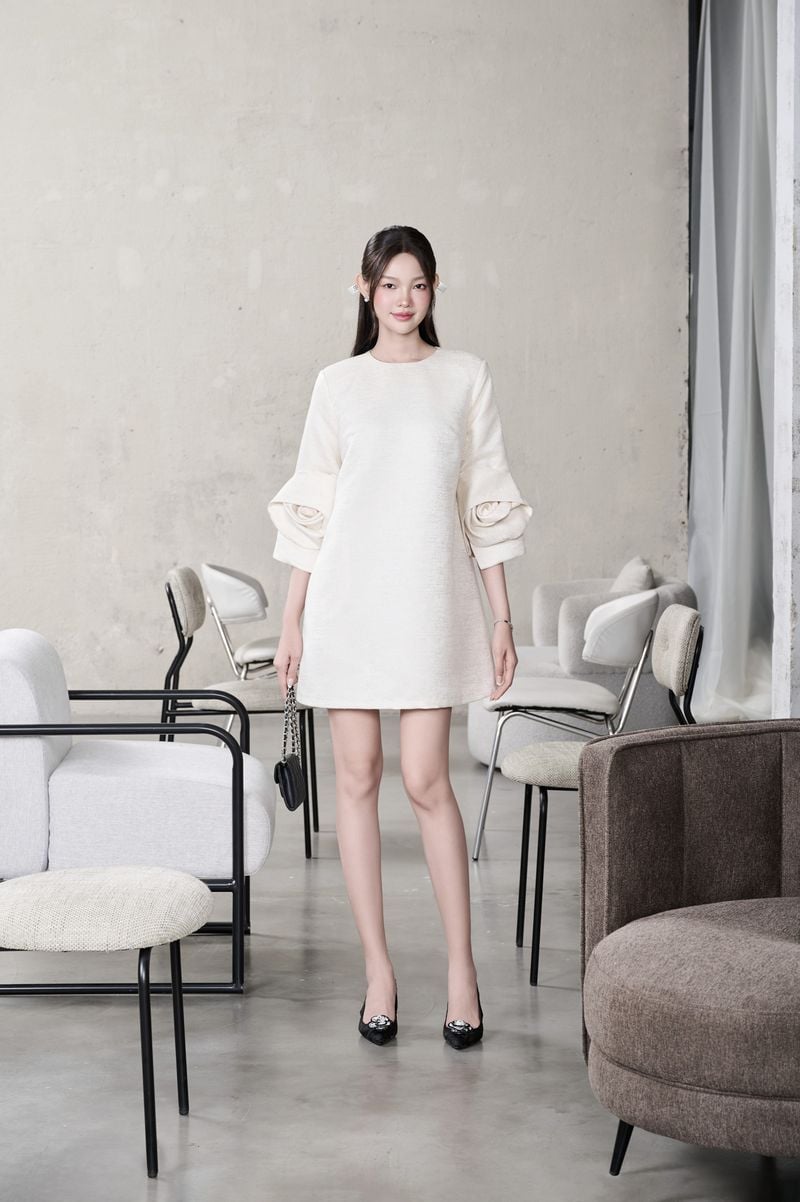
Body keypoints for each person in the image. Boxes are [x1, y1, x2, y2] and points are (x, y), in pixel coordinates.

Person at [268, 225, 532, 1050]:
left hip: (427, 603)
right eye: (389, 285)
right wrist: (291, 619)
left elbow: (483, 502)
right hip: (346, 604)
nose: (404, 299)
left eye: (417, 285)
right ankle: (378, 972)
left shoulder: (465, 378)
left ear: (434, 289)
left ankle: (461, 972)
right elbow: (313, 508)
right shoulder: (337, 385)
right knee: (356, 779)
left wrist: (502, 619)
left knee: (425, 781)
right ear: (365, 289)